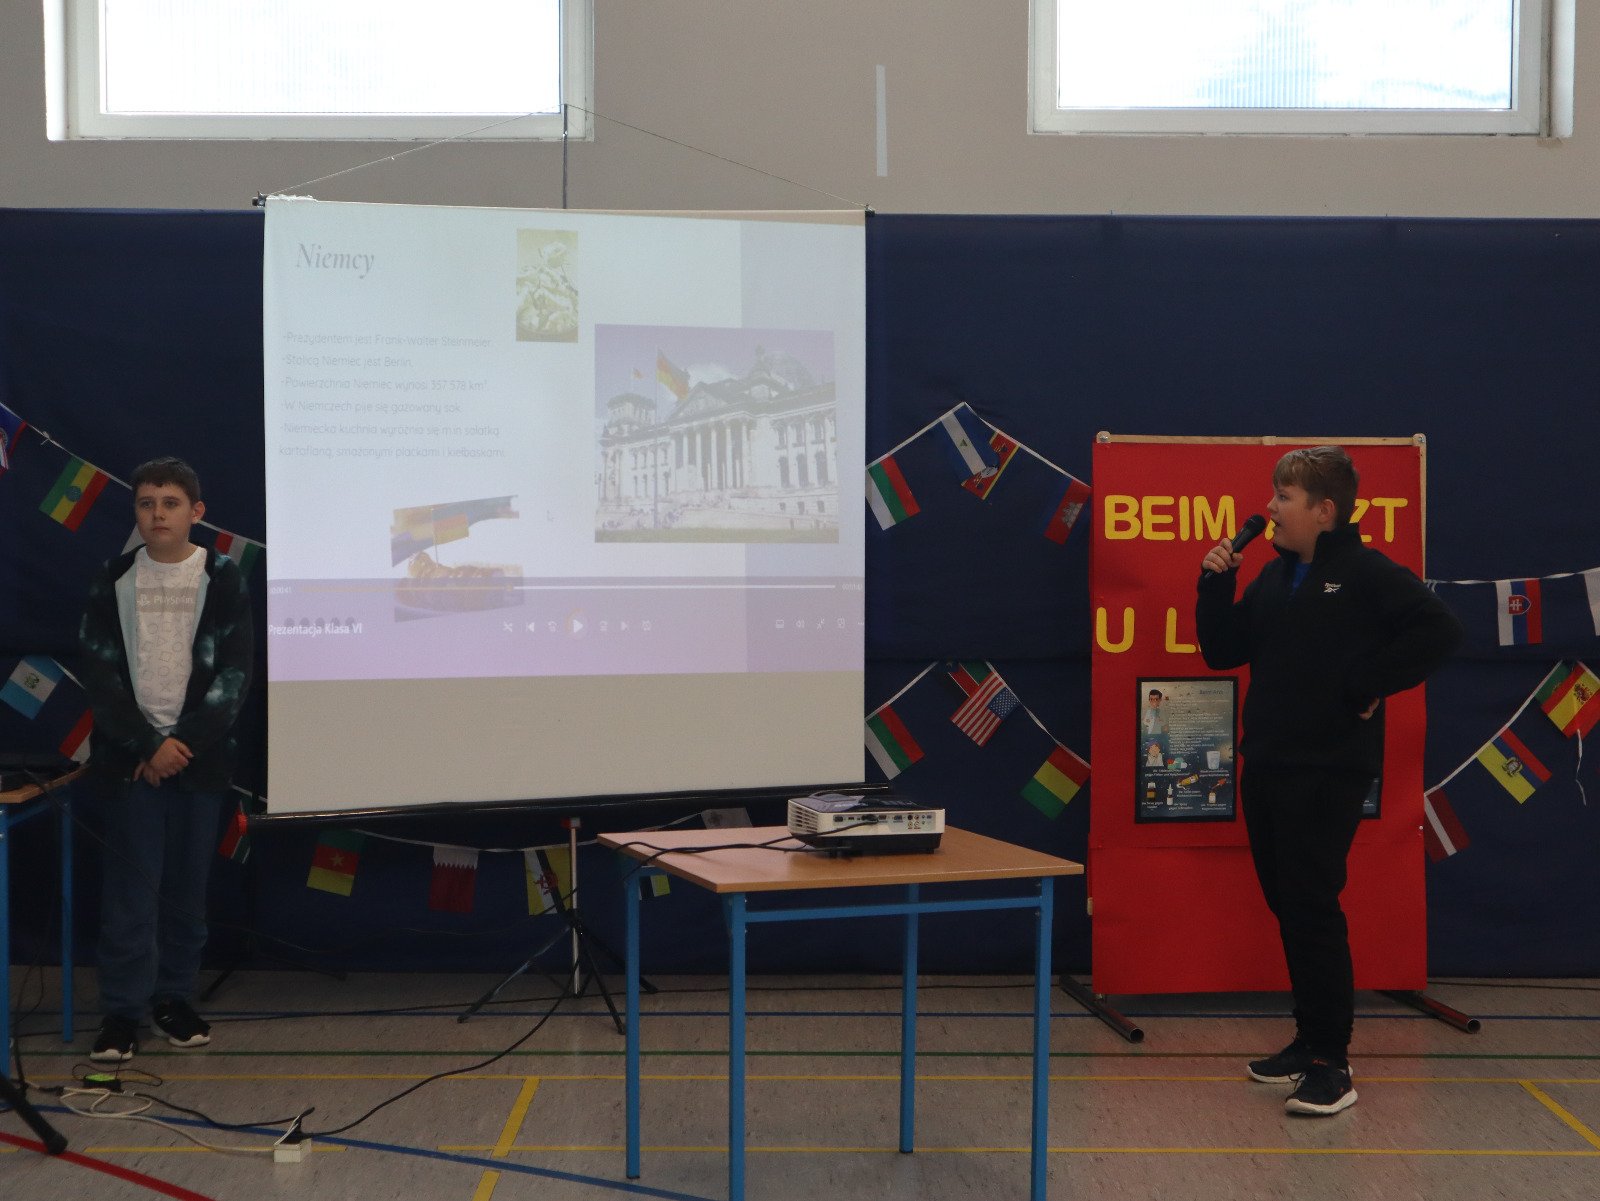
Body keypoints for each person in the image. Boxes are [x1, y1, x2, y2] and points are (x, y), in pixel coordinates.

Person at [1194, 446, 1460, 1116]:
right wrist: (1214, 585)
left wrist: (1367, 683)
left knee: (1312, 907)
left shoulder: (1365, 572)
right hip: (1268, 763)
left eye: (1283, 497)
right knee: (1290, 905)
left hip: (1327, 769)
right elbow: (1222, 651)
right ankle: (1308, 1038)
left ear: (1324, 510)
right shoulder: (1274, 576)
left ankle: (1331, 1064)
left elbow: (1439, 630)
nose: (1270, 507)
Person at [78, 457, 254, 1062]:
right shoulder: (113, 578)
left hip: (198, 763)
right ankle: (122, 1012)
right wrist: (147, 744)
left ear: (196, 512)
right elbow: (100, 673)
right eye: (147, 503)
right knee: (130, 894)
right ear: (136, 511)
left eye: (171, 503)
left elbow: (234, 675)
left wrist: (181, 745)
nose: (158, 514)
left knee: (185, 890)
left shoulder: (223, 577)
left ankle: (173, 999)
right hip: (131, 762)